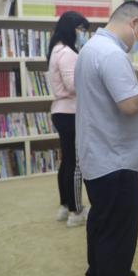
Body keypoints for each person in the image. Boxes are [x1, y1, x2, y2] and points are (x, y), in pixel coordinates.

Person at [75, 0, 138, 276]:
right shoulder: (112, 54)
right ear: (134, 23)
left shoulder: (91, 48)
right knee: (119, 232)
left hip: (98, 155)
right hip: (115, 159)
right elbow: (128, 105)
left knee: (100, 223)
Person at [47, 11, 90, 227]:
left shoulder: (56, 50)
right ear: (71, 29)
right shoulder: (67, 53)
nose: (83, 33)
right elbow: (73, 85)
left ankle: (65, 206)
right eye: (81, 29)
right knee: (75, 165)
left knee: (67, 162)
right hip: (70, 112)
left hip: (61, 111)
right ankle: (76, 211)